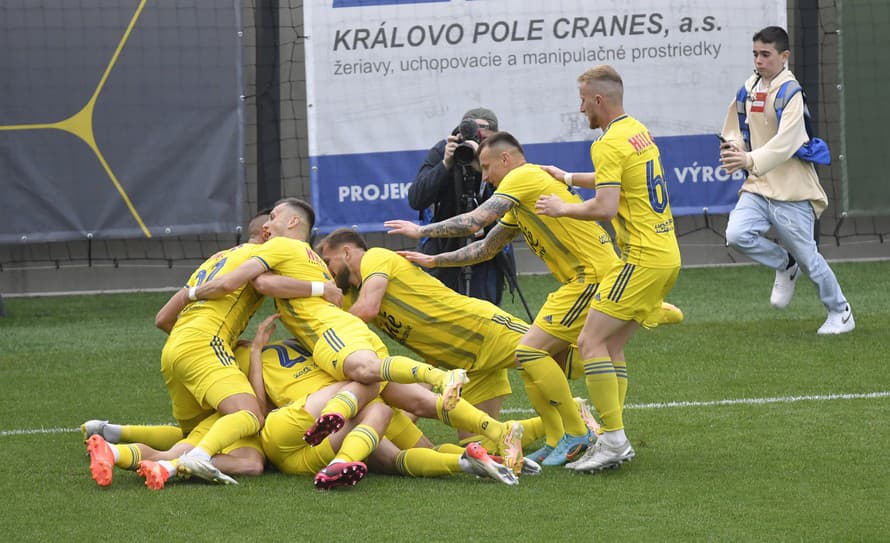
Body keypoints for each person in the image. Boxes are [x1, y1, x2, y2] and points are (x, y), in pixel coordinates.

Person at [534, 64, 681, 472]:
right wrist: (567, 176)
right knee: (611, 346)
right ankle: (614, 438)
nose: (581, 108)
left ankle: (612, 441)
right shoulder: (636, 131)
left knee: (589, 343)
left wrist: (562, 207)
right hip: (665, 254)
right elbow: (616, 180)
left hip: (641, 259)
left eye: (583, 100)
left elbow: (606, 205)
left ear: (599, 99)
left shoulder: (607, 143)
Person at [719, 26, 854, 335]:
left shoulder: (791, 92)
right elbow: (734, 128)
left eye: (765, 54)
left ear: (784, 56)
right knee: (737, 235)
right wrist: (733, 149)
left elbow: (787, 143)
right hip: (758, 186)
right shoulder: (749, 87)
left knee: (810, 258)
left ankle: (840, 311)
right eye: (755, 54)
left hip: (792, 190)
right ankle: (784, 264)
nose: (759, 60)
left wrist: (750, 160)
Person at [408, 107, 508, 305]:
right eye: (472, 135)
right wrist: (445, 164)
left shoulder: (502, 154)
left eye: (482, 137)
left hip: (486, 248)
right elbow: (416, 199)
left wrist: (483, 163)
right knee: (443, 315)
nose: (477, 141)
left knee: (485, 315)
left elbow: (510, 200)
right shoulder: (446, 150)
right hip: (444, 248)